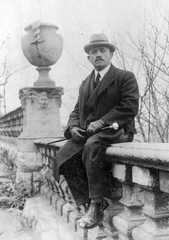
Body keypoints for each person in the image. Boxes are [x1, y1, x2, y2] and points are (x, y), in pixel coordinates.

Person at [53, 33, 139, 229]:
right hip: (90, 132)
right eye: (94, 52)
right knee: (64, 156)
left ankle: (96, 203)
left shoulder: (124, 77)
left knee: (92, 146)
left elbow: (130, 106)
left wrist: (101, 122)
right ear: (89, 58)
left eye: (102, 51)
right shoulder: (85, 83)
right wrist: (73, 127)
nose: (98, 54)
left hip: (117, 130)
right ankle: (85, 200)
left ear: (110, 54)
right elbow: (76, 110)